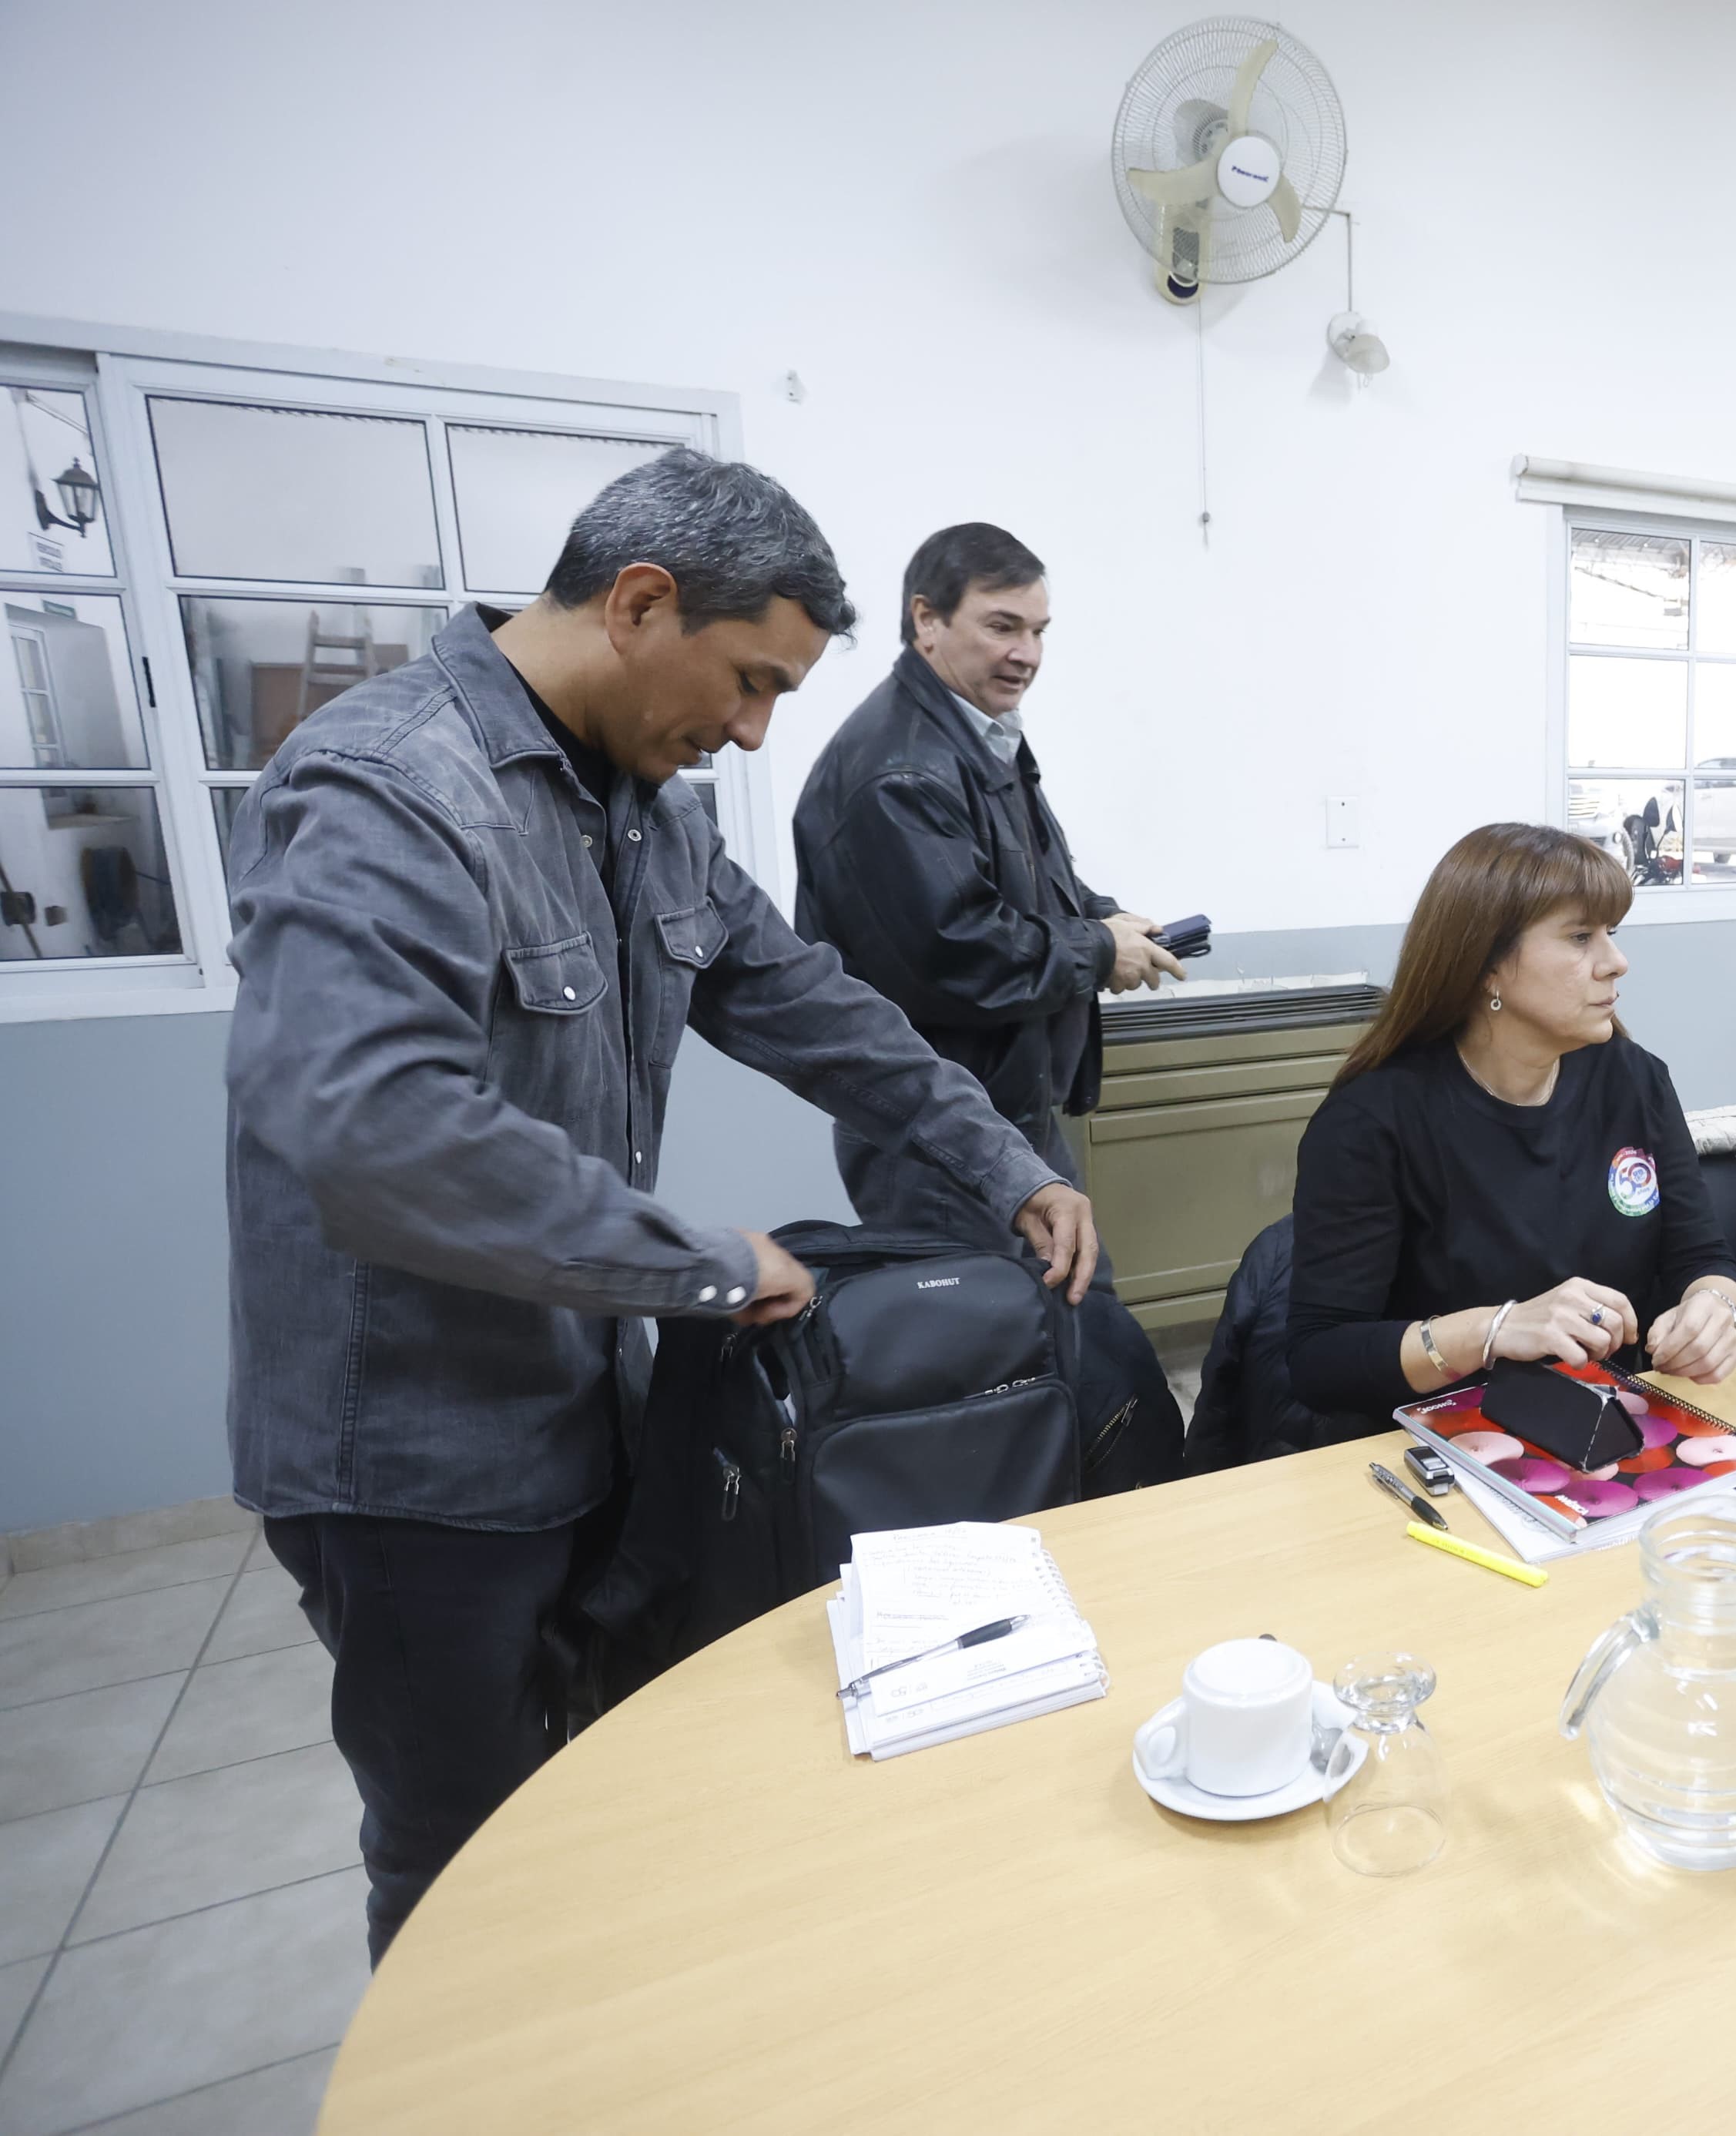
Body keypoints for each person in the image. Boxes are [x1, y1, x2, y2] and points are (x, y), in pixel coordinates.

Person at [223, 451, 1098, 1961]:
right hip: (412, 1457)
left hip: (583, 1402)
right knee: (464, 1870)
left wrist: (1001, 1158)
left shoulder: (644, 814)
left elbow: (815, 1005)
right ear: (639, 604)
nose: (751, 733)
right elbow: (376, 1135)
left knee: (601, 1806)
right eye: (749, 681)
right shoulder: (389, 783)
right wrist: (694, 1260)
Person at [793, 522, 1187, 1231]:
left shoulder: (980, 733)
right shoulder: (901, 770)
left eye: (1038, 631)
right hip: (940, 1138)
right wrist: (1097, 949)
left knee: (1064, 1322)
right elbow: (961, 951)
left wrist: (1105, 918)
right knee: (992, 1332)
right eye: (1002, 626)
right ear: (926, 619)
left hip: (1006, 1117)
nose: (1026, 654)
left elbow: (1025, 879)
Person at [1287, 823, 1736, 1425]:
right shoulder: (1373, 1121)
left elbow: (1704, 1257)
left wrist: (1716, 1309)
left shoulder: (1634, 1080)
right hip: (1437, 1447)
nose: (1616, 962)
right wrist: (1494, 1329)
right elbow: (1320, 1360)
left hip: (1605, 1432)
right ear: (1488, 967)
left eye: (1611, 933)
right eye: (1581, 937)